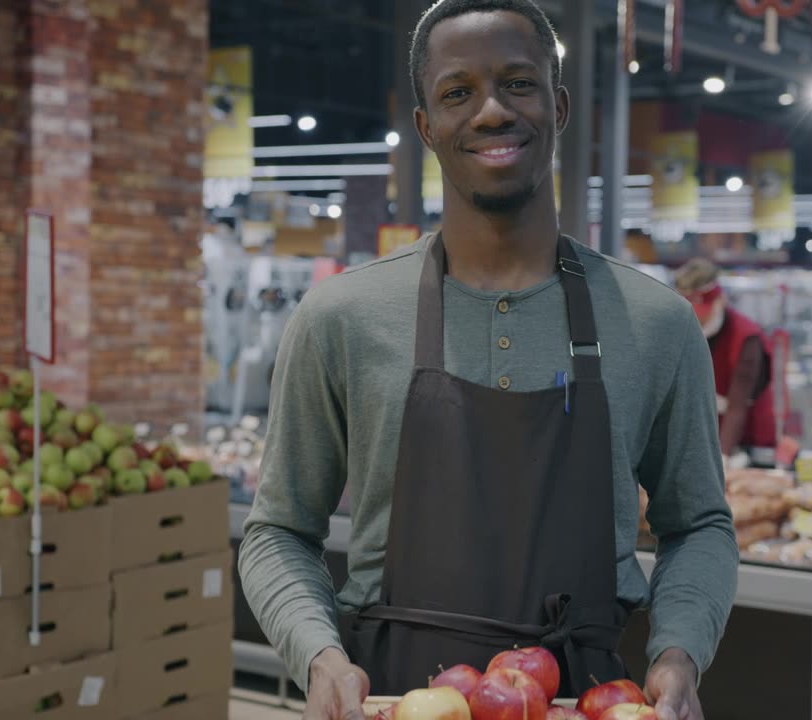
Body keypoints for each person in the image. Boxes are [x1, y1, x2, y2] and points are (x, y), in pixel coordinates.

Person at [238, 2, 738, 719]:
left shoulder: (658, 324)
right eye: (457, 92)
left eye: (518, 83)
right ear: (425, 126)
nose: (492, 111)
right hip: (396, 697)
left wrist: (680, 651)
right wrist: (319, 656)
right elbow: (280, 529)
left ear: (559, 105)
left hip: (586, 699)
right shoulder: (341, 318)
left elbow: (699, 526)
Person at [674, 259, 776, 456]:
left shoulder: (746, 337)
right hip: (703, 434)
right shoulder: (679, 331)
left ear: (719, 301)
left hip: (747, 440)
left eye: (700, 314)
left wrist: (722, 458)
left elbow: (737, 408)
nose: (696, 320)